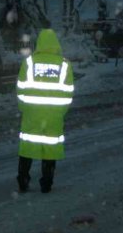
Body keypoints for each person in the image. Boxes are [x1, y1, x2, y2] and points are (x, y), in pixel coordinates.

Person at [16, 29, 74, 193]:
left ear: (39, 43)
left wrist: (25, 109)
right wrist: (60, 111)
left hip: (31, 114)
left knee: (27, 147)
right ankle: (46, 183)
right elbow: (68, 92)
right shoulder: (64, 65)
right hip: (53, 116)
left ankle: (23, 180)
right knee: (50, 150)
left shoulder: (29, 63)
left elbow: (20, 89)